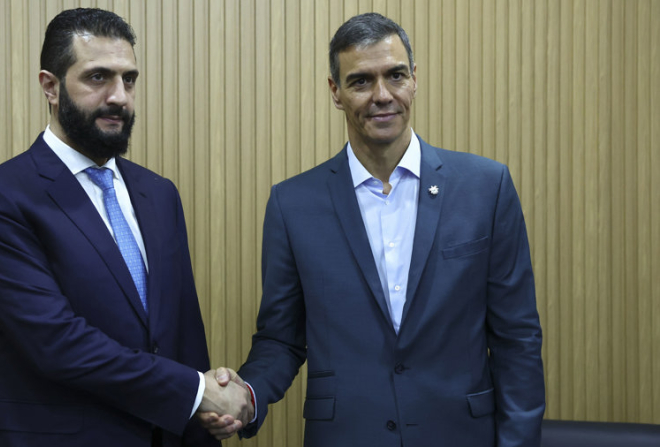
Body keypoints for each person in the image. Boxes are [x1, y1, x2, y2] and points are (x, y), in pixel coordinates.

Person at [200, 12, 545, 447]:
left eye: (395, 76)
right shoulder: (293, 204)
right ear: (336, 92)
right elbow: (282, 339)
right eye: (361, 81)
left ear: (414, 79)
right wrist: (247, 396)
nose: (383, 95)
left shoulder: (485, 188)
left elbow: (517, 339)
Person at [0, 8, 250, 447]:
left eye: (128, 79)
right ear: (50, 87)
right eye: (98, 78)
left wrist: (205, 411)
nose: (119, 96)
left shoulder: (159, 193)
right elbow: (56, 342)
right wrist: (194, 390)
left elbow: (182, 334)